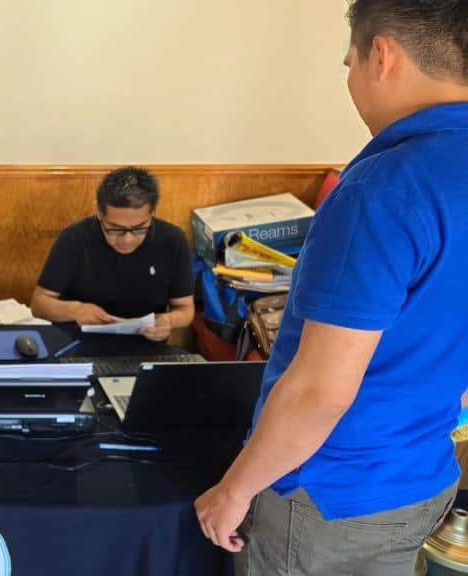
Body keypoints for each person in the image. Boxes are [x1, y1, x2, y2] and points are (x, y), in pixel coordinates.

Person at [195, 2, 468, 574]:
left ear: (382, 55)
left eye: (350, 63)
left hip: (333, 495)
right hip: (426, 474)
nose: (351, 80)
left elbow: (320, 389)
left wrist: (235, 489)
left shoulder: (382, 188)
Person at [30, 166, 194, 341]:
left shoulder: (172, 240)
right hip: (77, 343)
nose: (127, 239)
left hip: (147, 344)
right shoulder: (74, 238)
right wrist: (75, 310)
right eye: (115, 229)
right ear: (99, 212)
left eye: (139, 229)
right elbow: (39, 304)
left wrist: (168, 321)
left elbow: (185, 308)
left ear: (152, 213)